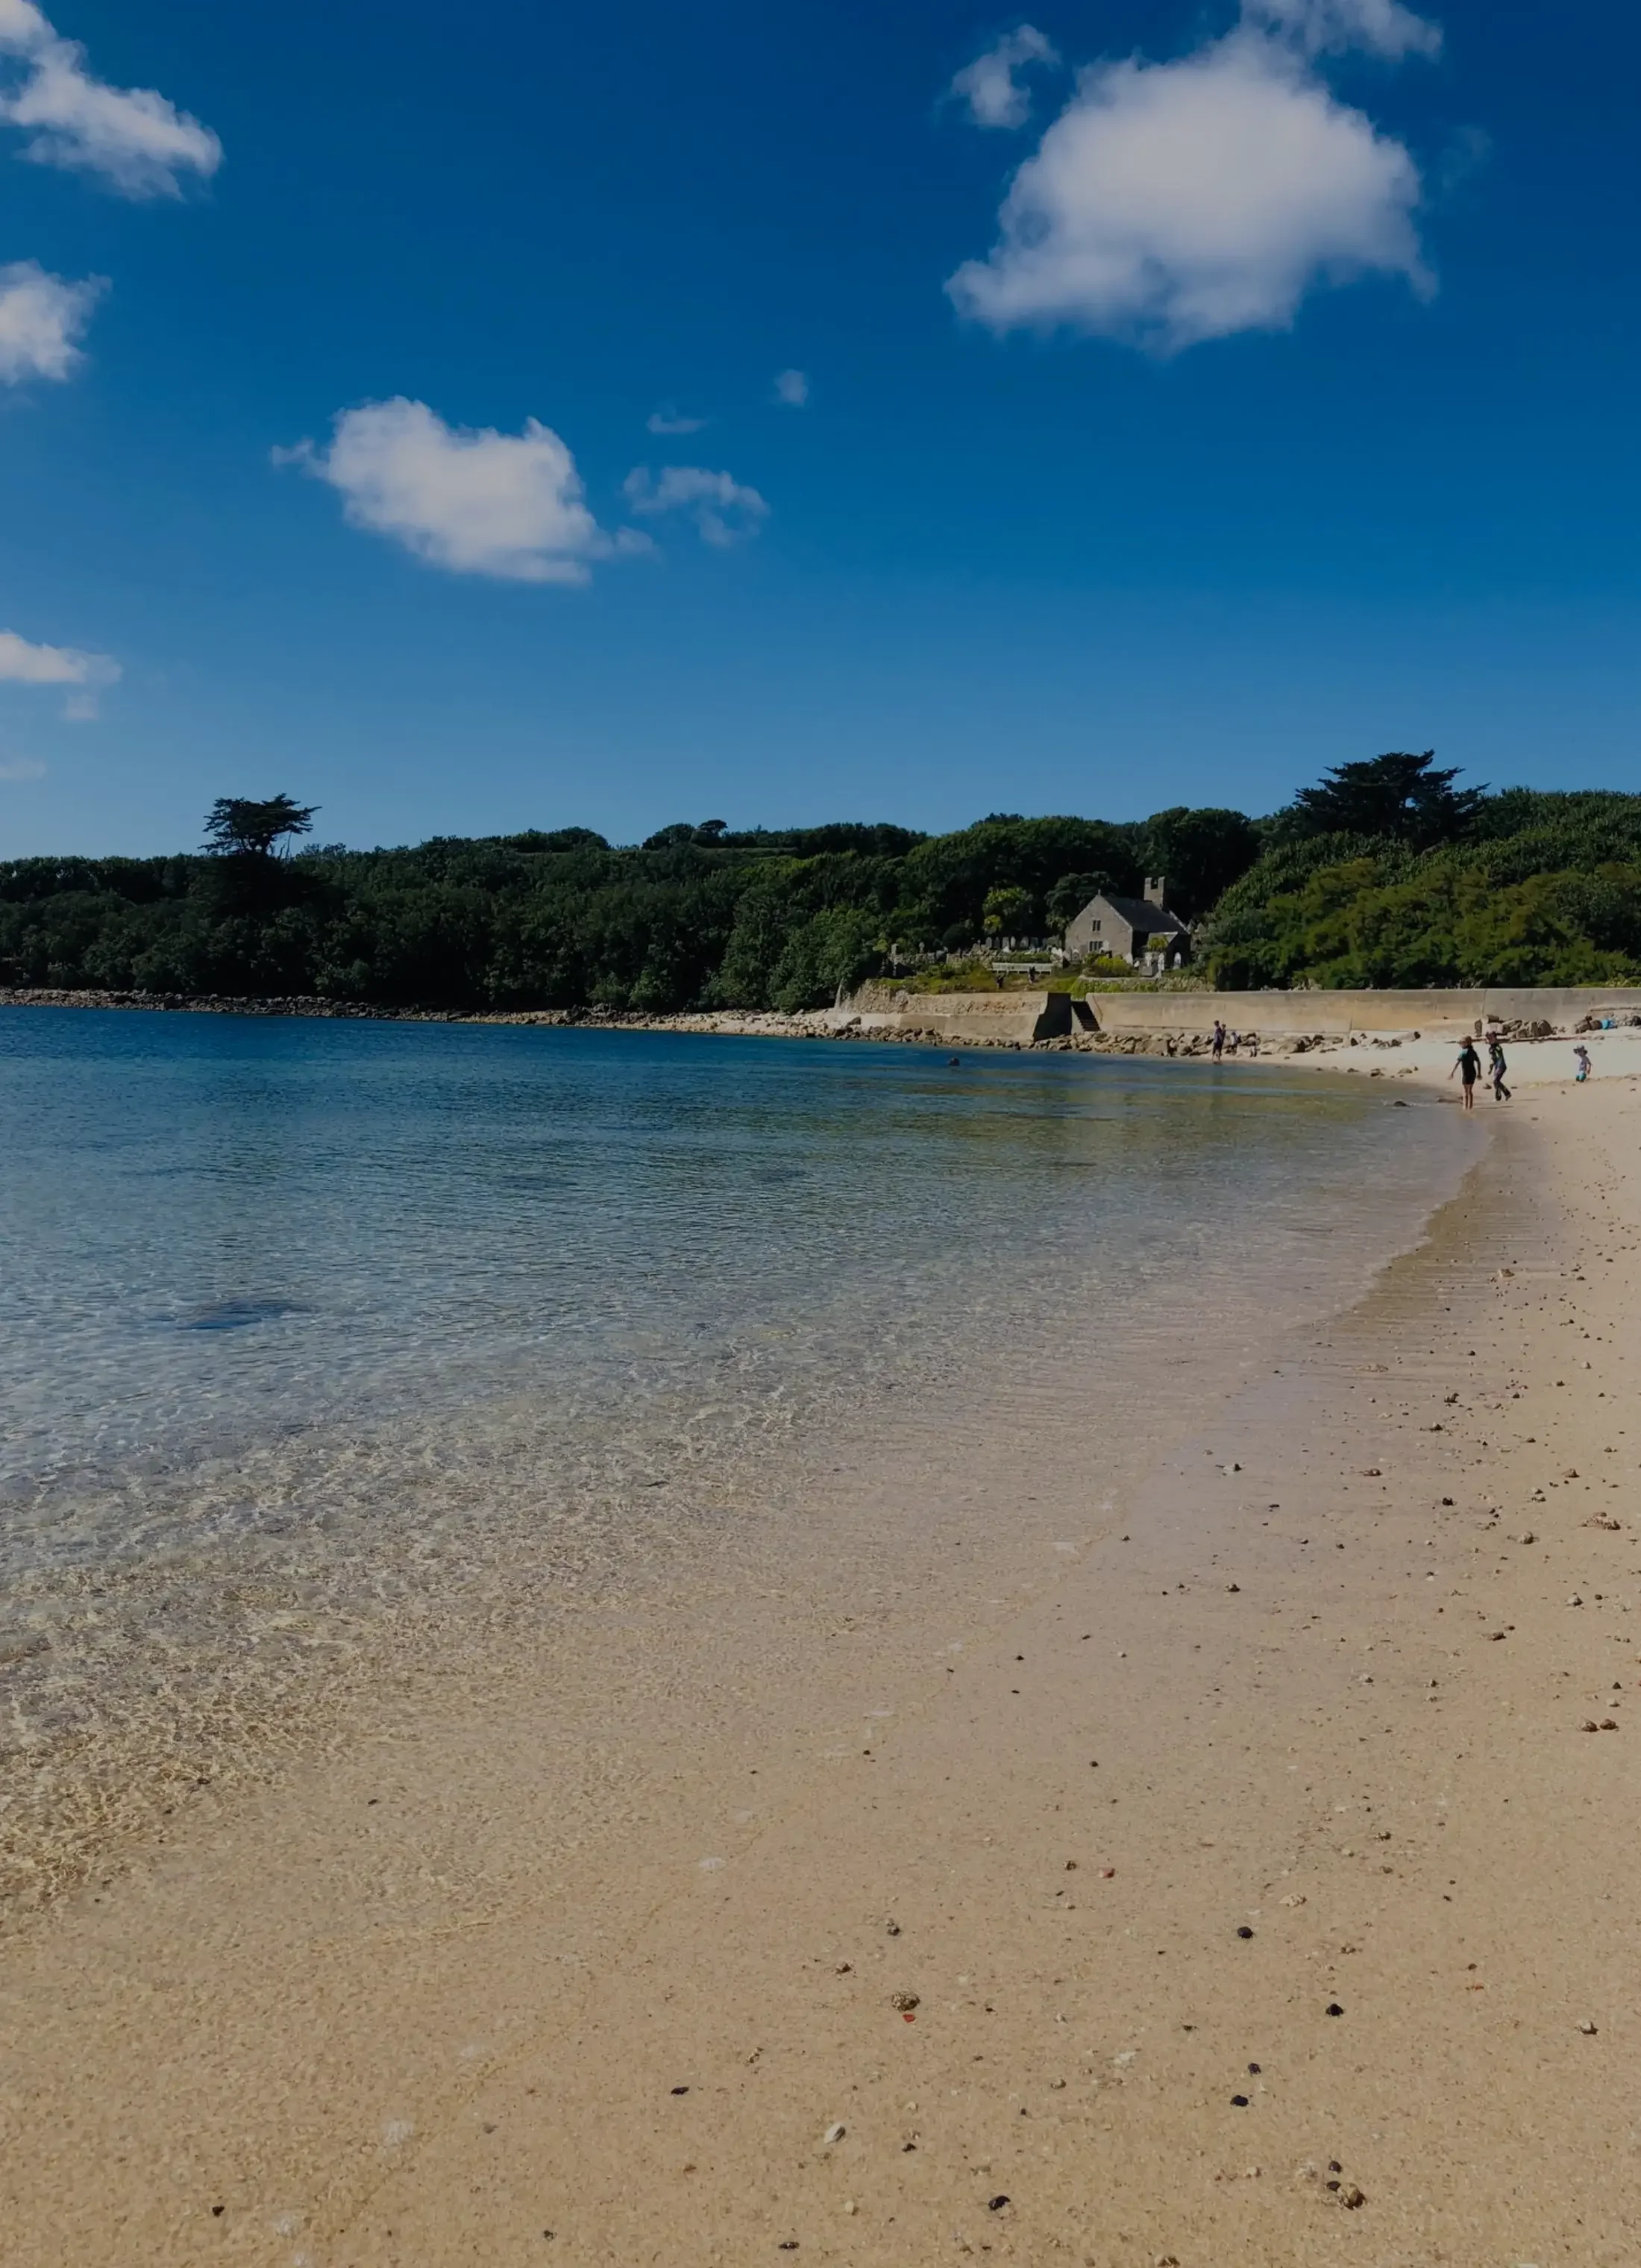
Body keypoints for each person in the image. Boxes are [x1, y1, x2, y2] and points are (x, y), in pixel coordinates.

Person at [1450, 1038, 1481, 1111]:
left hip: (1466, 1073)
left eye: (1462, 1043)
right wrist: (1479, 1073)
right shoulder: (1473, 1052)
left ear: (1466, 1043)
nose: (1461, 1045)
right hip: (1473, 1072)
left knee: (1465, 1091)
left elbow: (1457, 1063)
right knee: (1470, 1090)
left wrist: (1452, 1073)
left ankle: (1465, 1106)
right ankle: (1470, 1107)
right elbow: (1478, 1062)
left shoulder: (1463, 1052)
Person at [1488, 1037, 1511, 1102]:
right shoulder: (1490, 1049)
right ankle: (1498, 1097)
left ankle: (1507, 1093)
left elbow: (1500, 1057)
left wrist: (1499, 1067)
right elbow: (1492, 1059)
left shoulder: (1498, 1048)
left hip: (1501, 1066)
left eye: (1491, 1039)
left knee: (1496, 1081)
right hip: (1496, 1066)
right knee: (1495, 1082)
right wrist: (1491, 1069)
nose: (1489, 1041)